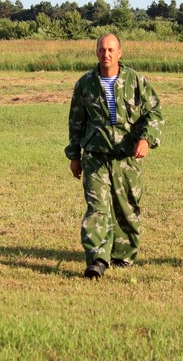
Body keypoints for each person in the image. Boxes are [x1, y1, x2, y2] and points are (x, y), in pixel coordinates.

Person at [65, 34, 164, 279]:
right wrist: (74, 155)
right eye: (101, 49)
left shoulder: (136, 81)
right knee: (97, 208)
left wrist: (146, 139)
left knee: (126, 209)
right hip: (95, 157)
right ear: (96, 52)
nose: (106, 54)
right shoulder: (85, 84)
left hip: (126, 158)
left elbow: (154, 113)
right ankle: (97, 259)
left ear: (120, 53)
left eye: (110, 50)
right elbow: (76, 122)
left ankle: (123, 256)